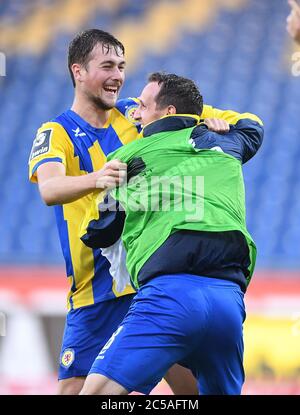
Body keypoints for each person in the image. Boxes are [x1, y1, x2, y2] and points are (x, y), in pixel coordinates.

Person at [28, 29, 252, 395]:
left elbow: (216, 116)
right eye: (107, 66)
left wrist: (215, 124)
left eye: (121, 65)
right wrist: (97, 179)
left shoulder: (137, 113)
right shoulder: (56, 132)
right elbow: (50, 189)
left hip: (151, 279)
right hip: (94, 291)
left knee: (190, 391)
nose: (117, 75)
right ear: (78, 71)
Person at [80, 72, 264, 395]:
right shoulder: (229, 140)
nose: (135, 112)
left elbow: (95, 230)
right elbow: (254, 124)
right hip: (228, 303)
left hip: (169, 296)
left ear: (167, 112)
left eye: (142, 105)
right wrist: (206, 116)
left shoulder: (127, 159)